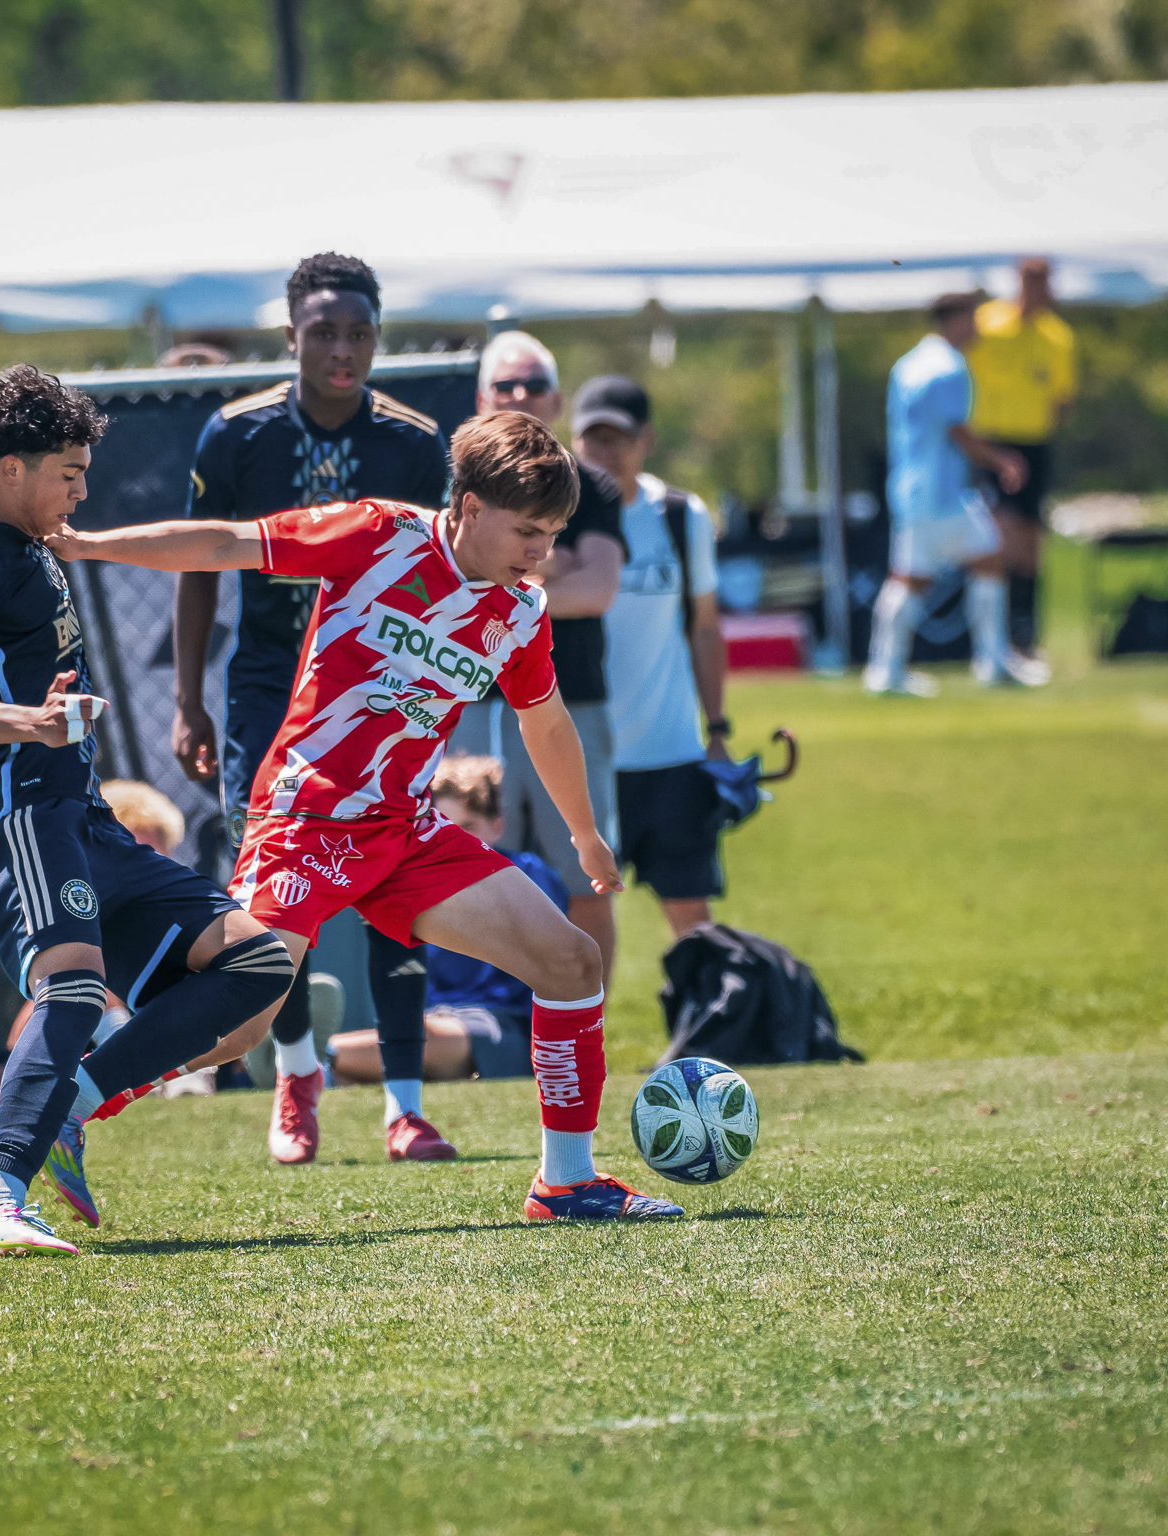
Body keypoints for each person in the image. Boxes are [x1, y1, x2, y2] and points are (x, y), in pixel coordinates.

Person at [52, 410, 686, 1220]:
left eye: (554, 533)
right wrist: (87, 545)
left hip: (402, 833)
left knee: (570, 962)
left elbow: (548, 722)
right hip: (306, 818)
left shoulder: (520, 611)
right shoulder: (379, 535)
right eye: (528, 530)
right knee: (242, 1020)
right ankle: (54, 1108)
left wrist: (586, 833)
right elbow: (223, 544)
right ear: (466, 505)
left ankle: (565, 1182)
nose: (542, 553)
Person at [0, 365, 295, 1259]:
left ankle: (54, 1111)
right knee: (68, 989)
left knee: (255, 965)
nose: (81, 488)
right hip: (18, 804)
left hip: (78, 810)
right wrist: (26, 720)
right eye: (68, 470)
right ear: (14, 468)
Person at [173, 251, 451, 1166]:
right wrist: (189, 701)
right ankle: (295, 1078)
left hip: (381, 693)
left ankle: (406, 1108)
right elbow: (200, 567)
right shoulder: (235, 435)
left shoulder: (415, 444)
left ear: (379, 338)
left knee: (391, 881)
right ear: (289, 336)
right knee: (272, 893)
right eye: (323, 331)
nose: (343, 349)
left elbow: (442, 580)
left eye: (359, 332)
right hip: (268, 690)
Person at [472, 333, 628, 975]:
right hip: (475, 710)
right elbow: (457, 590)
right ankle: (493, 1021)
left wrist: (508, 581)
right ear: (481, 399)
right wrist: (552, 571)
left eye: (533, 385)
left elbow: (598, 590)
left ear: (557, 399)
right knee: (473, 874)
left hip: (573, 704)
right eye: (505, 386)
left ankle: (588, 1023)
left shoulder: (593, 487)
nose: (519, 397)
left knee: (583, 878)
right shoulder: (458, 487)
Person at [570, 375, 732, 939]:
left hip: (670, 755)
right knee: (583, 919)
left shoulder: (681, 515)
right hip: (582, 759)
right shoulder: (556, 515)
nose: (604, 452)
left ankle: (711, 1026)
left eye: (619, 438)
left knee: (691, 919)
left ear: (648, 441)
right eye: (592, 438)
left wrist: (716, 729)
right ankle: (582, 1032)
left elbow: (706, 629)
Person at [327, 756, 557, 1084]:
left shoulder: (529, 875)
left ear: (497, 826)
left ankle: (311, 1055)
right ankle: (313, 1066)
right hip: (430, 1016)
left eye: (468, 828)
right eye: (444, 830)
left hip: (503, 1025)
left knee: (426, 1036)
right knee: (399, 1038)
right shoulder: (416, 885)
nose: (456, 843)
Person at [867, 292, 1041, 696]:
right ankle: (887, 671)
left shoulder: (909, 363)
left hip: (915, 490)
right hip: (938, 494)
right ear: (955, 320)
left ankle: (989, 660)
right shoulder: (948, 367)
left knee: (987, 557)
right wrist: (1002, 461)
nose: (978, 328)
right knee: (912, 580)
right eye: (973, 318)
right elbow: (956, 430)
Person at [969, 258, 1077, 657]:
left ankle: (1025, 631)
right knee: (1001, 535)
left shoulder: (1057, 336)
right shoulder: (988, 323)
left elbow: (1062, 399)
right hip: (993, 443)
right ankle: (993, 633)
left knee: (1031, 541)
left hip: (1036, 445)